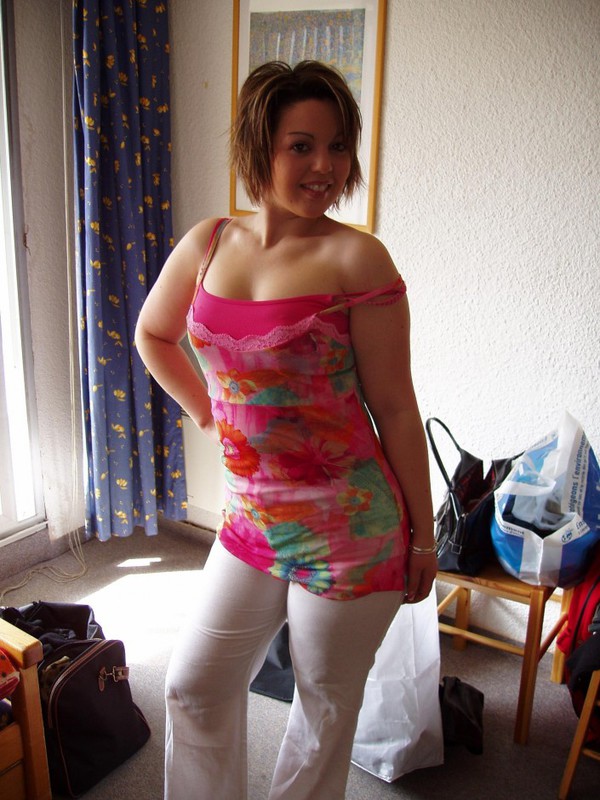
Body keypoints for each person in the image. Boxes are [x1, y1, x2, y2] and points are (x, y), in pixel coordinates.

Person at [135, 59, 437, 800]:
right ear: (258, 145)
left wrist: (424, 538)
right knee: (193, 686)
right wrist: (209, 412)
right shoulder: (209, 243)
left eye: (338, 147)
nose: (325, 166)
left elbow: (397, 408)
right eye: (302, 145)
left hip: (349, 527)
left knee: (322, 713)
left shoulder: (356, 258)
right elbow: (154, 334)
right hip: (251, 520)